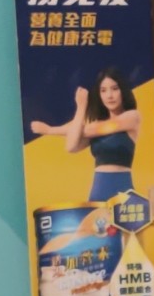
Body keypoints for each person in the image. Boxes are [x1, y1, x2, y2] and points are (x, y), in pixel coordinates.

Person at [31, 72, 140, 203]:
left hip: (123, 189)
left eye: (115, 89)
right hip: (98, 191)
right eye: (103, 90)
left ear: (123, 91)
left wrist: (50, 130)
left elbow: (91, 130)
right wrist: (81, 109)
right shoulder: (95, 126)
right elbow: (71, 146)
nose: (109, 95)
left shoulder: (132, 117)